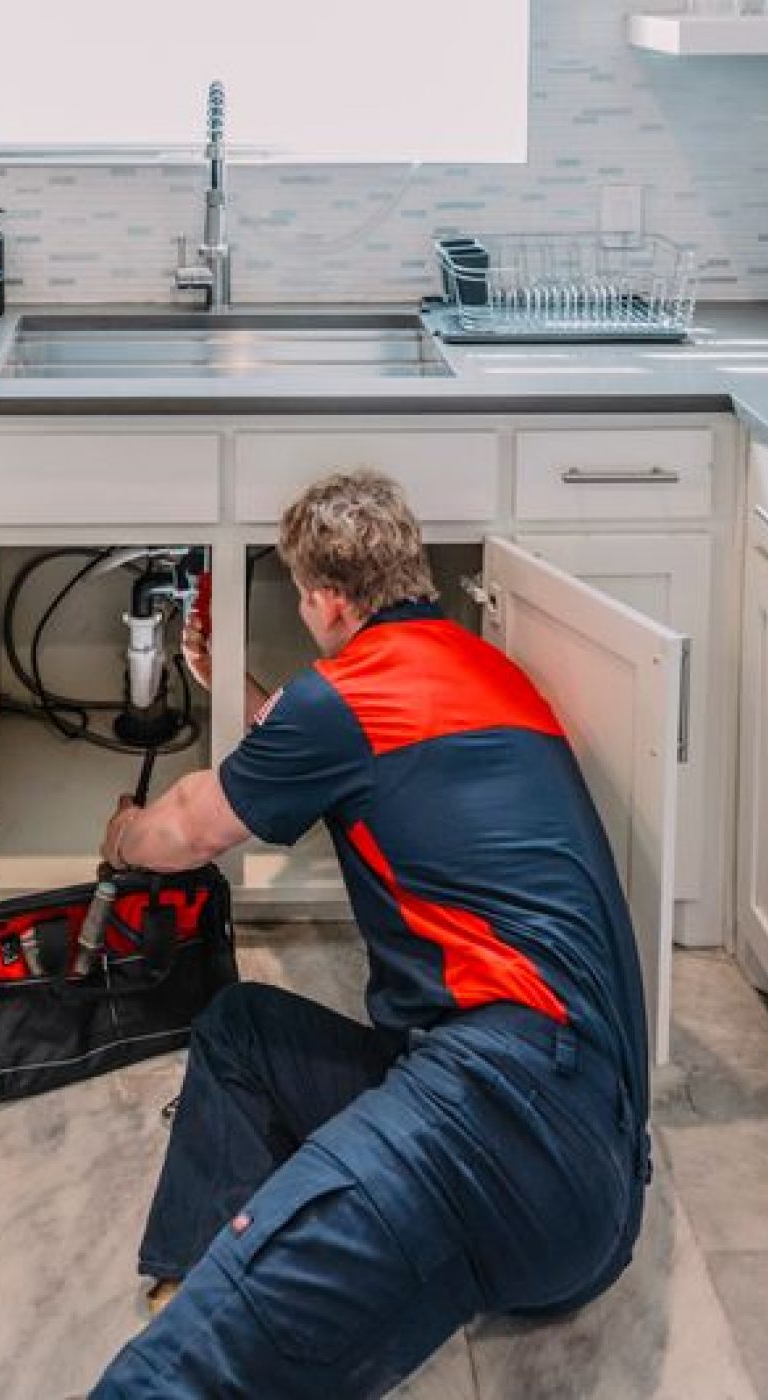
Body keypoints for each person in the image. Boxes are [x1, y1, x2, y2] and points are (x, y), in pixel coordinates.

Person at [89, 470, 652, 1399]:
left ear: (325, 600)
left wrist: (123, 836)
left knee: (170, 1383)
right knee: (240, 1033)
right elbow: (342, 744)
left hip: (493, 1111)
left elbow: (191, 825)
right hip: (593, 1162)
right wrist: (240, 686)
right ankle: (196, 1285)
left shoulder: (342, 700)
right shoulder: (488, 675)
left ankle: (219, 1316)